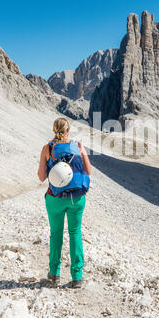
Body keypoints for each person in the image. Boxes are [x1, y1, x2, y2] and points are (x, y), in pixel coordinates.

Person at [37, 118, 91, 288]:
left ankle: (54, 274)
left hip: (55, 199)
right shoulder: (77, 145)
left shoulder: (48, 148)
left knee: (56, 234)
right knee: (75, 233)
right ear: (68, 130)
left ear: (54, 130)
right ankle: (77, 277)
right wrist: (82, 152)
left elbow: (41, 177)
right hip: (76, 199)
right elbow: (88, 171)